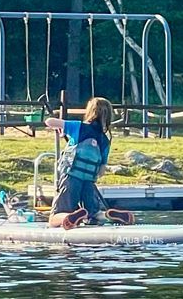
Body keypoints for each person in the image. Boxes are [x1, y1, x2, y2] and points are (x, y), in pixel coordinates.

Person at [47, 97, 125, 229]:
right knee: (93, 215)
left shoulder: (78, 127)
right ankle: (104, 215)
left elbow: (49, 121)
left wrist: (62, 128)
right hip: (89, 181)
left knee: (54, 218)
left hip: (71, 177)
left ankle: (68, 216)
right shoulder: (104, 140)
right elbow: (101, 171)